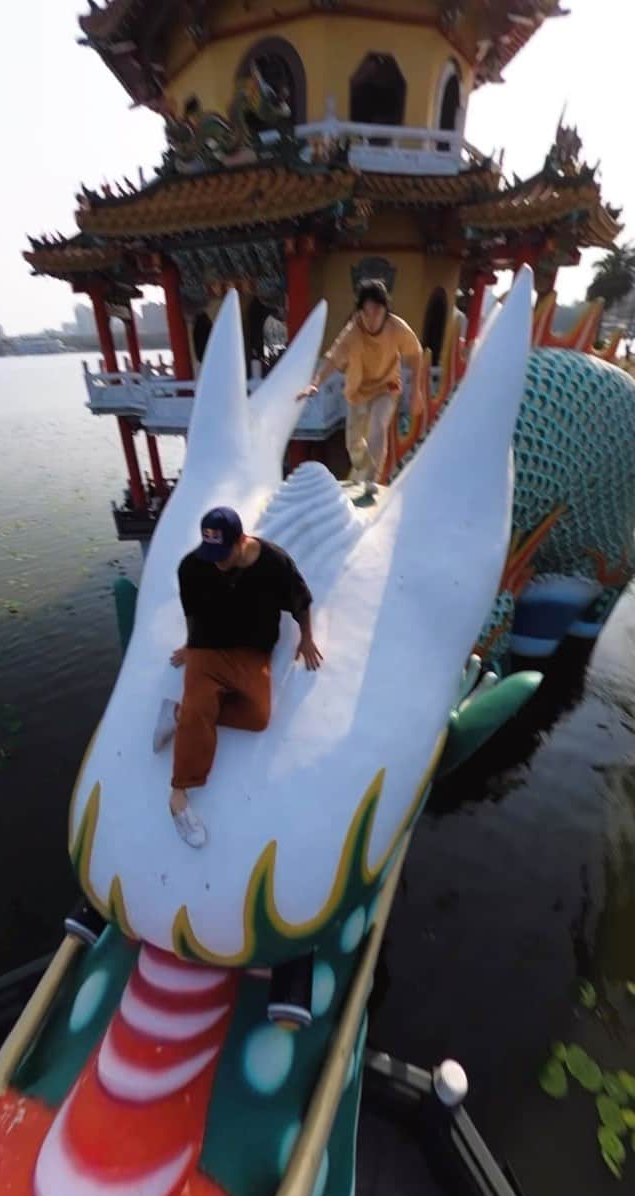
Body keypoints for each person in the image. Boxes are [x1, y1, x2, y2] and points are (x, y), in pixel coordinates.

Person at [153, 506, 322, 847]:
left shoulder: (274, 562)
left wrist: (306, 637)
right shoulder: (193, 566)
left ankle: (177, 714)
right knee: (201, 706)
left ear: (242, 541)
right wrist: (190, 646)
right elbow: (192, 611)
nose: (216, 561)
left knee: (258, 718)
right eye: (210, 552)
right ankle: (178, 797)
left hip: (251, 652)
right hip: (207, 647)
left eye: (222, 553)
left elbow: (300, 602)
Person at [298, 278, 424, 496]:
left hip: (387, 387)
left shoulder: (396, 328)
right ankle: (364, 468)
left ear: (385, 310)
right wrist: (315, 382)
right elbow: (333, 358)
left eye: (376, 311)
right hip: (357, 392)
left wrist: (416, 392)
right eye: (366, 312)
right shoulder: (353, 332)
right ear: (360, 312)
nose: (371, 318)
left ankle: (371, 479)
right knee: (353, 444)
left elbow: (415, 353)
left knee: (378, 425)